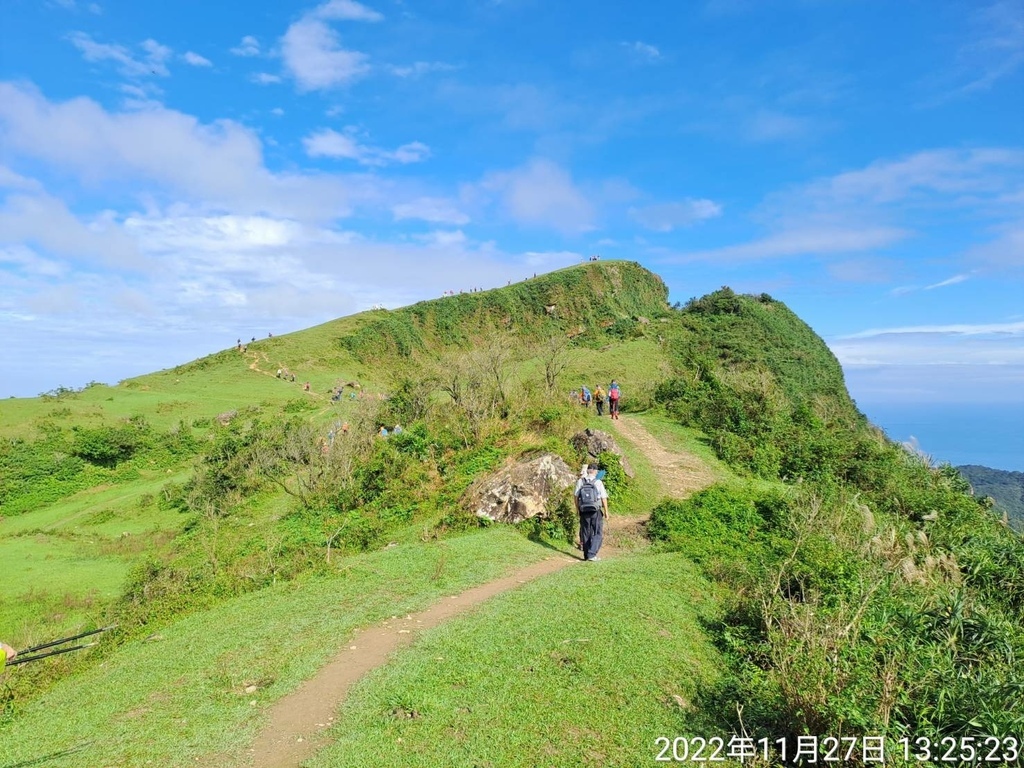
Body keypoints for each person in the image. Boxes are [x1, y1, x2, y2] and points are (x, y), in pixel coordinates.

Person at [575, 463, 609, 561]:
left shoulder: (580, 481)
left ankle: (586, 555)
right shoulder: (598, 482)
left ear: (587, 470)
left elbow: (576, 497)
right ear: (594, 471)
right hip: (595, 510)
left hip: (583, 510)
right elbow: (603, 497)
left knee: (585, 532)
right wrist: (606, 511)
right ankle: (592, 554)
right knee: (598, 532)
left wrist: (577, 509)